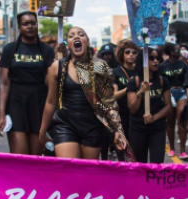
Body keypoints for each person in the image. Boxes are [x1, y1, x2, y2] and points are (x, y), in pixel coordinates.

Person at [39, 27, 129, 159]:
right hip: (65, 125)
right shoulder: (56, 67)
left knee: (86, 174)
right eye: (71, 36)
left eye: (81, 35)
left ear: (87, 41)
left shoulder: (100, 67)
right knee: (68, 171)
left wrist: (117, 130)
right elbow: (51, 101)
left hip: (92, 127)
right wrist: (42, 130)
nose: (76, 37)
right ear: (68, 44)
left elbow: (108, 102)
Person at [0, 11, 55, 155]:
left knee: (35, 158)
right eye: (25, 23)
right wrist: (1, 115)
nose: (30, 26)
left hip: (38, 105)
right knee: (19, 158)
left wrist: (58, 63)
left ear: (37, 25)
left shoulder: (47, 50)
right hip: (16, 105)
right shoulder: (10, 49)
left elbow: (50, 83)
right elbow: (4, 84)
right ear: (19, 27)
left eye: (33, 23)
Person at [126, 48, 172, 163]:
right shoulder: (134, 81)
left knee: (157, 165)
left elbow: (168, 106)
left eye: (157, 58)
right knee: (139, 165)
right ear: (144, 61)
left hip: (158, 129)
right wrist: (140, 92)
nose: (155, 61)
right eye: (151, 58)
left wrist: (153, 118)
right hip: (138, 129)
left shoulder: (163, 81)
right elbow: (132, 109)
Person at [160, 43, 188, 159]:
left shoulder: (182, 64)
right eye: (177, 49)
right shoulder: (163, 66)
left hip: (181, 92)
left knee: (182, 120)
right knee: (170, 123)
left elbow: (187, 79)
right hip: (169, 94)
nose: (179, 51)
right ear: (170, 51)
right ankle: (172, 148)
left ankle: (182, 150)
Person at [112, 39, 140, 141]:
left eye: (134, 52)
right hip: (121, 116)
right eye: (127, 52)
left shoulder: (140, 72)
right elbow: (113, 95)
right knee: (123, 149)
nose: (131, 54)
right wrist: (129, 88)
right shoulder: (116, 72)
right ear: (122, 54)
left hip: (137, 116)